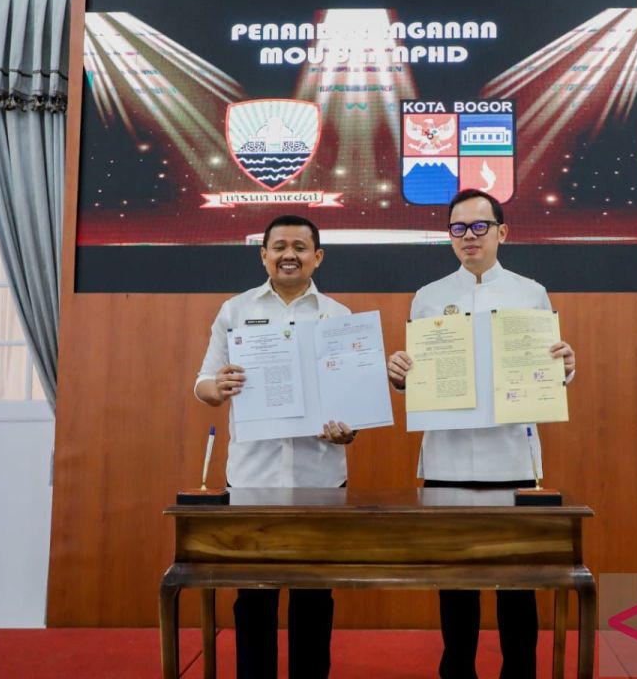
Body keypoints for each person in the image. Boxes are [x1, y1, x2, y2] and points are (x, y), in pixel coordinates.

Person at [386, 189, 577, 679]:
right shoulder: (428, 297)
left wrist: (564, 368)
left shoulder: (530, 292)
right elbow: (418, 379)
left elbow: (545, 369)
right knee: (456, 588)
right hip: (446, 462)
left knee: (517, 586)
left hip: (510, 460)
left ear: (501, 232)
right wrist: (401, 372)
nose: (468, 237)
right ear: (448, 236)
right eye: (457, 229)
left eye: (479, 227)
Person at [195, 214, 356, 679]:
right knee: (253, 597)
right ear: (263, 254)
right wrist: (218, 386)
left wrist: (348, 430)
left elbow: (352, 408)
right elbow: (202, 383)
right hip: (252, 479)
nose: (290, 254)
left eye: (301, 247)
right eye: (279, 246)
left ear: (317, 256)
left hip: (321, 478)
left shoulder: (338, 317)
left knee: (314, 596)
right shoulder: (235, 310)